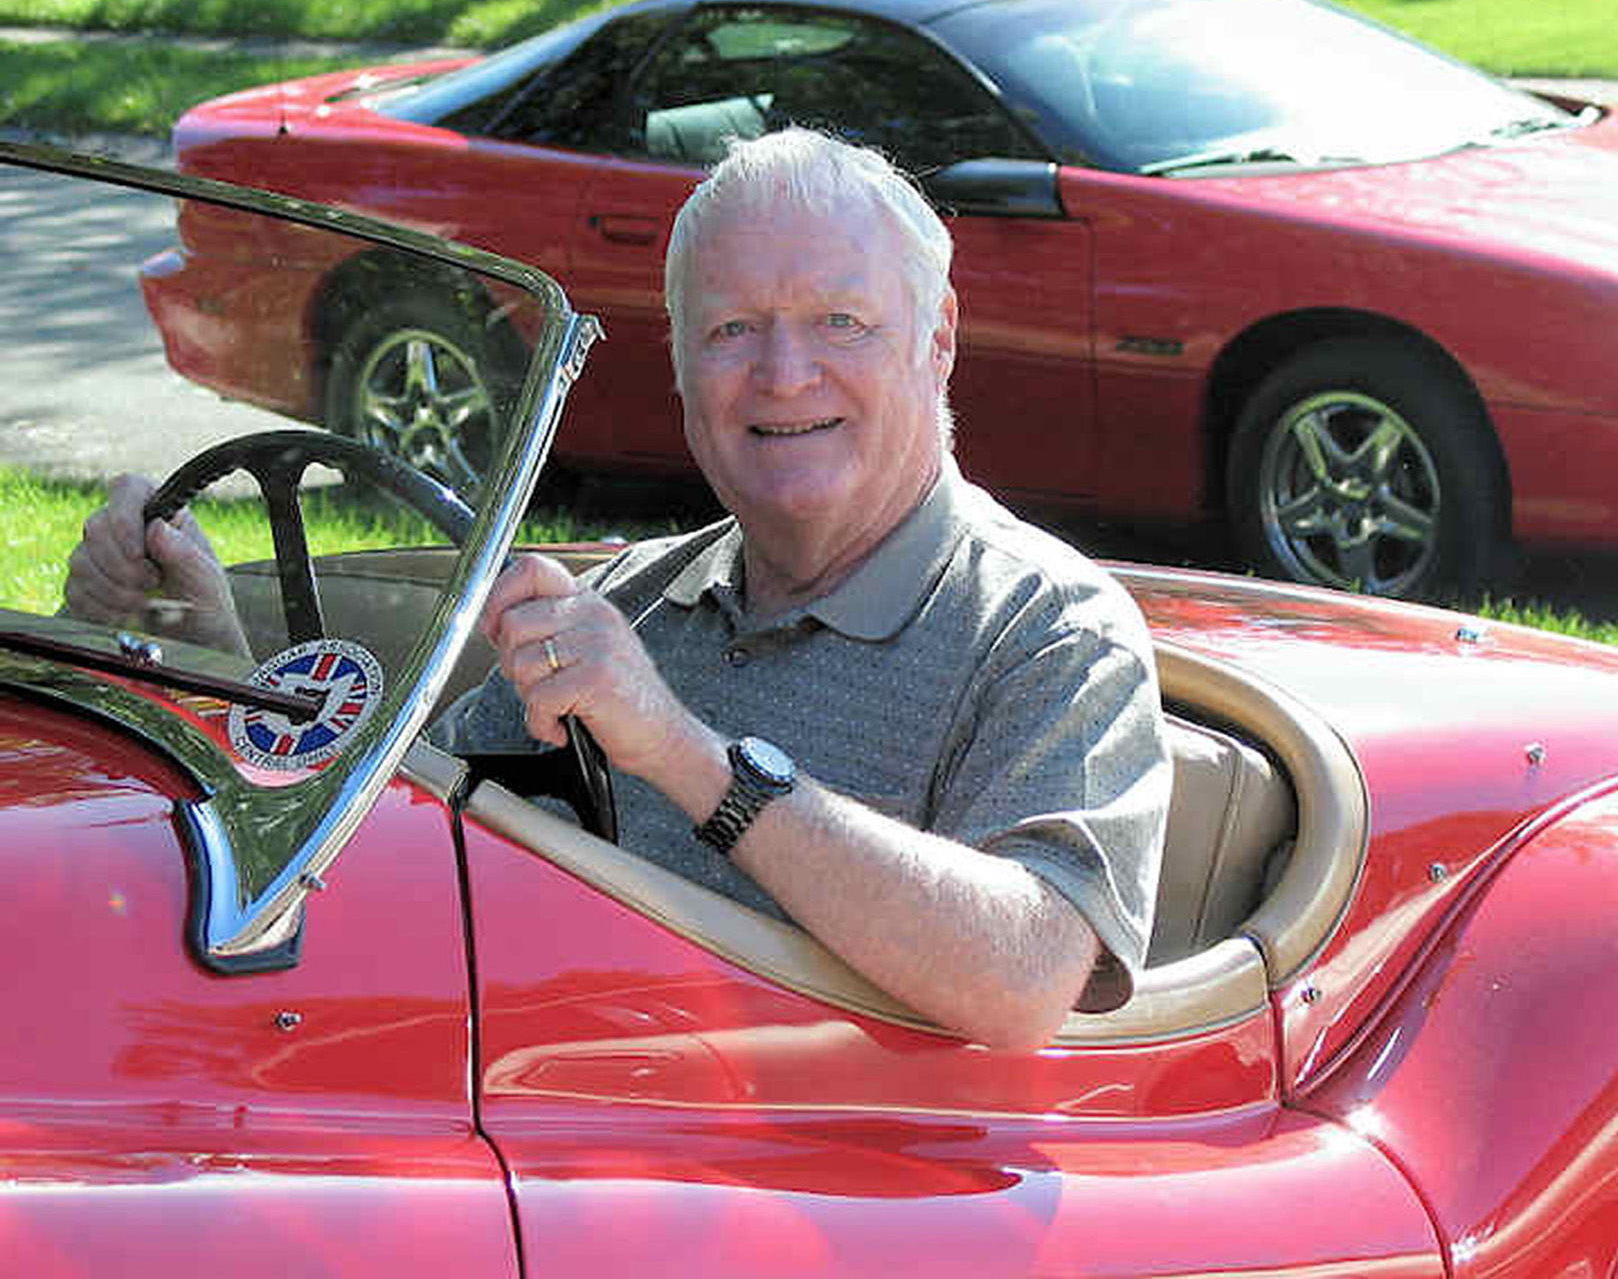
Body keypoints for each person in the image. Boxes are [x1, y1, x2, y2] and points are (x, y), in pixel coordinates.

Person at [66, 129, 1171, 1052]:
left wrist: (685, 757)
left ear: (937, 344)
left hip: (855, 1190)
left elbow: (1028, 978)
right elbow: (399, 849)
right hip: (548, 1111)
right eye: (732, 329)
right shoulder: (639, 602)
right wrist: (202, 643)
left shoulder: (1049, 630)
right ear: (683, 367)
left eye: (841, 321)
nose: (784, 374)